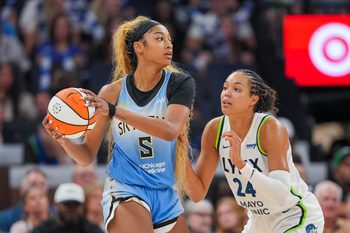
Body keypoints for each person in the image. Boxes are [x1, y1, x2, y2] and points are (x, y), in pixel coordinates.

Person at [42, 16, 195, 233]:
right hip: (126, 189)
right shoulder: (111, 93)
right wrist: (62, 139)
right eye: (160, 39)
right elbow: (86, 155)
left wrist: (114, 111)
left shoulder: (180, 83)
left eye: (169, 39)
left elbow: (170, 131)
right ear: (139, 47)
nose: (169, 44)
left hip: (164, 191)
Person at [184, 69, 324, 232]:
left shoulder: (270, 128)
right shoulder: (214, 129)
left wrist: (241, 165)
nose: (227, 94)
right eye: (225, 88)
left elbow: (281, 195)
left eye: (236, 89)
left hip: (294, 214)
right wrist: (181, 153)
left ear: (253, 99)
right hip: (259, 219)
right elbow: (197, 194)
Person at [32, 183, 103, 233]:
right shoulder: (44, 229)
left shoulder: (91, 229)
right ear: (57, 205)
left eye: (75, 204)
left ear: (82, 206)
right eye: (67, 204)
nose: (71, 209)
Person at [0, 167, 48, 232]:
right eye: (33, 184)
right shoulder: (3, 219)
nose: (38, 188)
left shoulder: (57, 216)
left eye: (42, 184)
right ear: (22, 190)